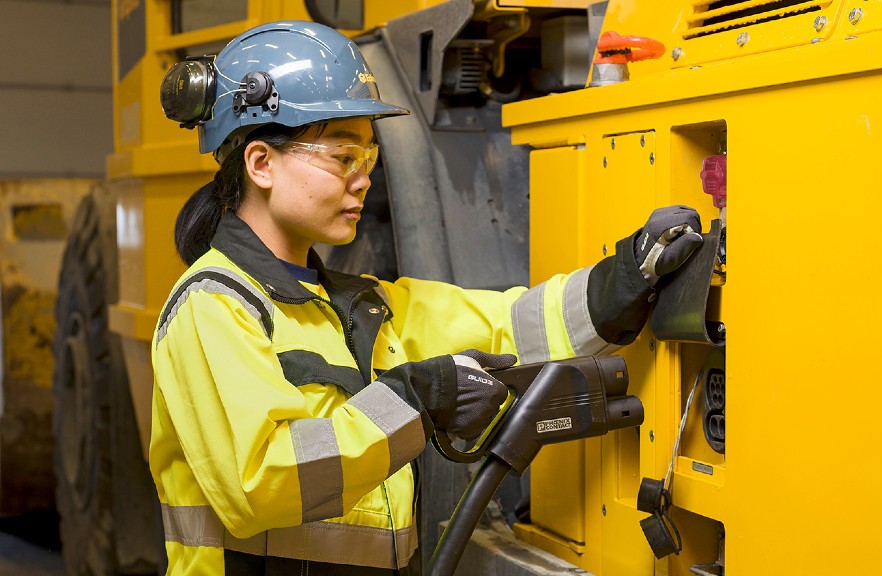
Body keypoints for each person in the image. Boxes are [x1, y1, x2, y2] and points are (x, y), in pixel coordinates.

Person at [151, 20, 703, 576]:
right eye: (343, 157)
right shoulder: (212, 307)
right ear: (261, 164)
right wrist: (414, 397)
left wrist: (626, 278)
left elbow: (512, 326)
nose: (363, 180)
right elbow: (261, 484)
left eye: (368, 159)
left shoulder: (365, 306)